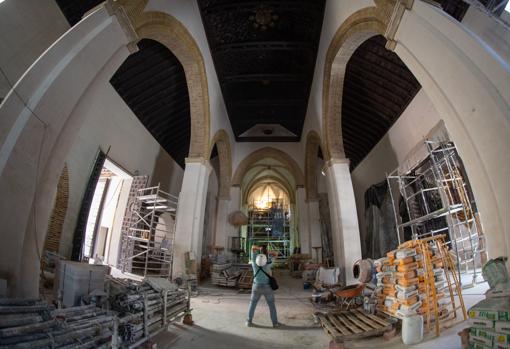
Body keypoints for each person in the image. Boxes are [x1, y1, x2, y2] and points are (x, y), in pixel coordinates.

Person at [246, 244, 279, 328]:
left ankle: (249, 321)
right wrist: (266, 251)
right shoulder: (268, 264)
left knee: (252, 304)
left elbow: (253, 247)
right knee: (271, 305)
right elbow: (276, 253)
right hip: (267, 287)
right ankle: (275, 323)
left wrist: (259, 248)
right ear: (265, 258)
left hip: (256, 287)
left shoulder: (254, 262)